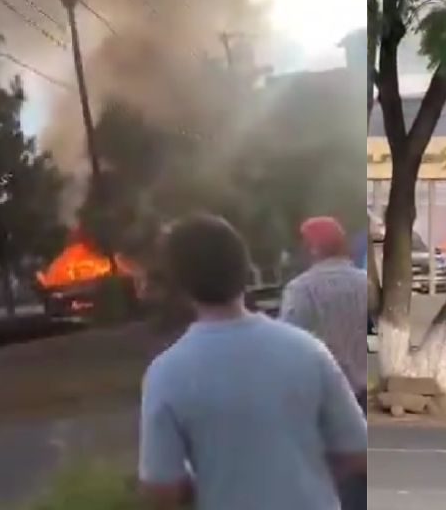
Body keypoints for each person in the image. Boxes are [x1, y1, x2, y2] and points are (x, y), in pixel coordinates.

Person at [138, 214, 367, 510]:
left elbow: (161, 491)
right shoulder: (308, 350)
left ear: (179, 284)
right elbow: (358, 453)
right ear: (244, 269)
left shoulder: (165, 375)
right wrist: (305, 480)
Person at [280, 217, 369, 510]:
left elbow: (288, 345)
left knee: (334, 483)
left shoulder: (301, 289)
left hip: (325, 401)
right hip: (365, 393)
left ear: (313, 249)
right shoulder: (364, 283)